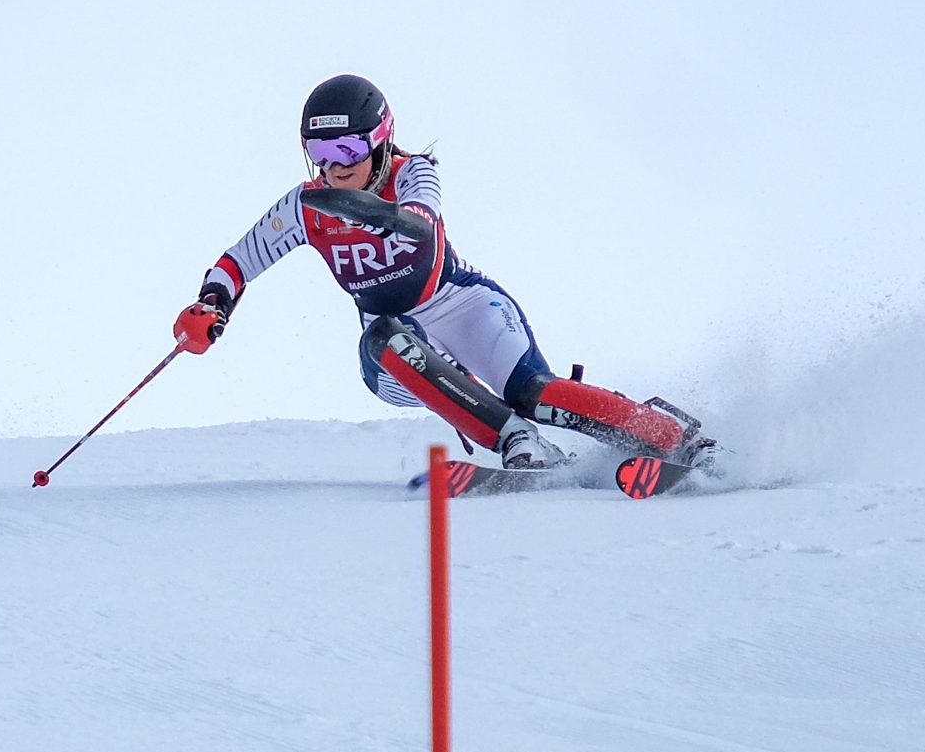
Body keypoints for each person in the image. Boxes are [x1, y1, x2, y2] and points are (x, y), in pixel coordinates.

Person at [173, 74, 708, 470]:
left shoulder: (413, 172)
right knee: (384, 339)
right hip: (399, 343)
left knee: (533, 391)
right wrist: (209, 306)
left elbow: (421, 223)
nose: (334, 165)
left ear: (380, 140)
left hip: (463, 305)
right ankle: (518, 442)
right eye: (319, 151)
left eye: (348, 148)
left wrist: (366, 212)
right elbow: (239, 260)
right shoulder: (306, 205)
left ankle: (677, 439)